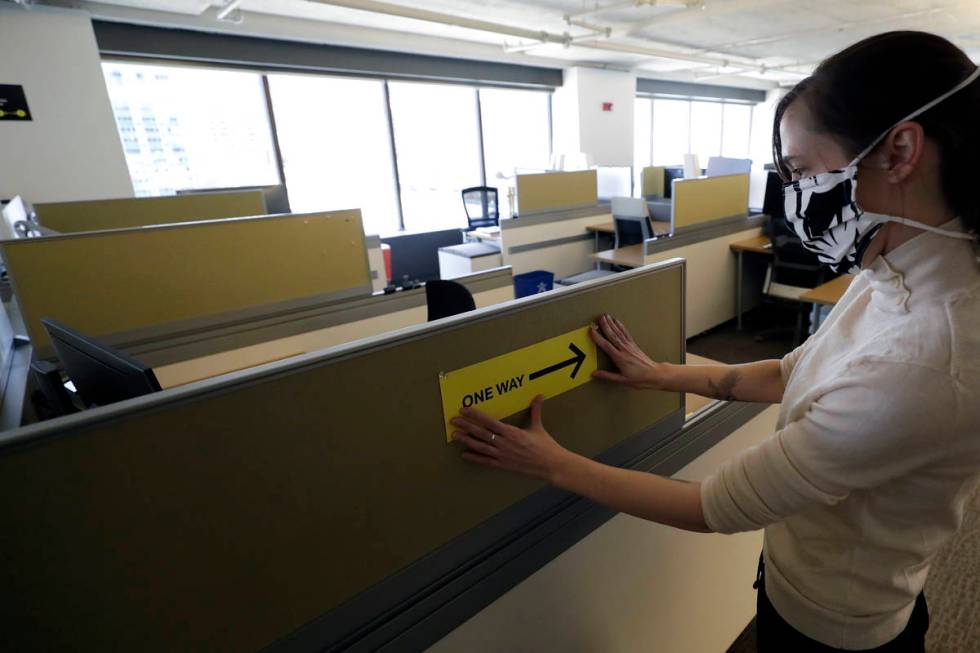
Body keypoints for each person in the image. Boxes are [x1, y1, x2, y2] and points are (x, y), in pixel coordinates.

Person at [450, 31, 980, 652]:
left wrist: (552, 464)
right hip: (802, 574)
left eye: (805, 171)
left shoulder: (926, 361)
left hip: (837, 624)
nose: (795, 196)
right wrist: (659, 375)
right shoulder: (891, 269)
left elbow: (713, 507)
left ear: (899, 152)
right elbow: (791, 372)